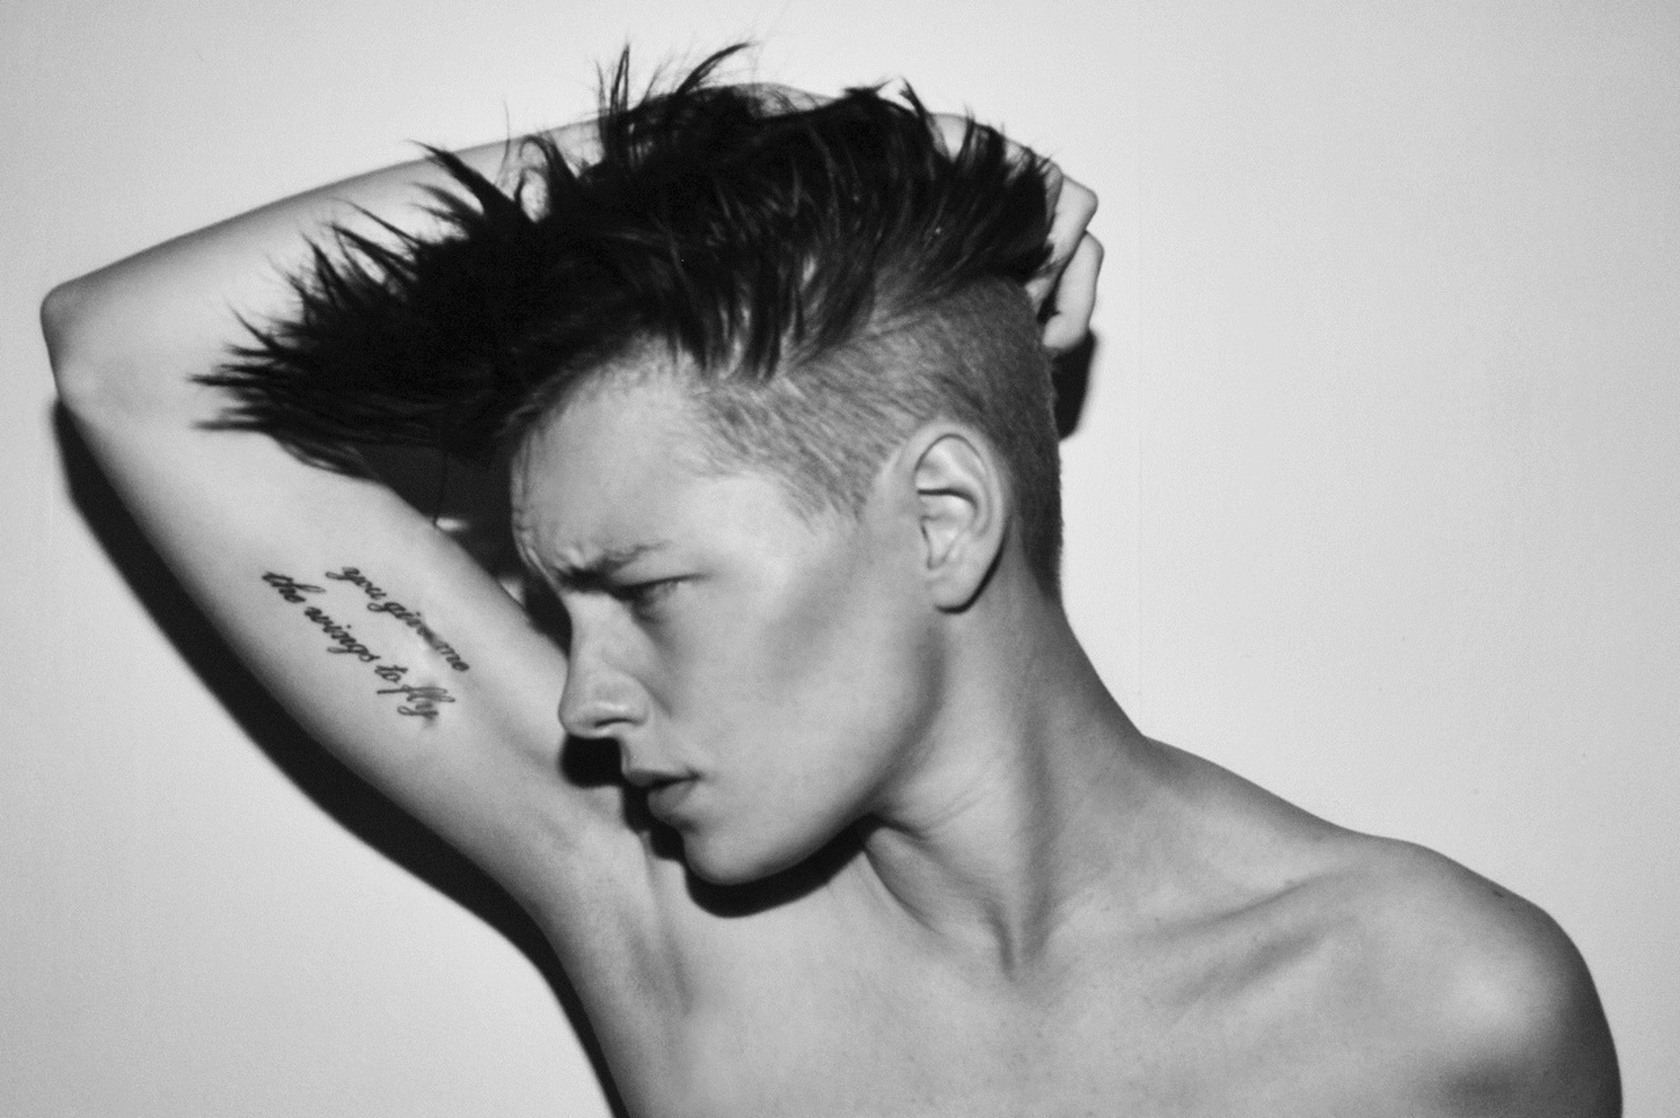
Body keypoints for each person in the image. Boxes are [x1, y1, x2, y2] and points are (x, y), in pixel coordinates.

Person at [42, 50, 1618, 1117]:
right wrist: (786, 147)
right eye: (558, 610)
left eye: (648, 591)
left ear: (942, 517)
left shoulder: (1447, 1009)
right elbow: (125, 360)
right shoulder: (669, 923)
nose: (584, 701)